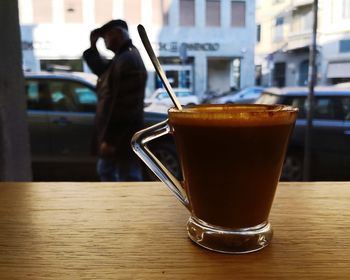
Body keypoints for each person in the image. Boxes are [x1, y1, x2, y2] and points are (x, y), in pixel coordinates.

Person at [83, 19, 147, 181]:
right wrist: (92, 46)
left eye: (105, 38)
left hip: (121, 138)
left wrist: (110, 140)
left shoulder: (128, 59)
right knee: (112, 172)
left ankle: (125, 206)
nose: (104, 42)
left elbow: (126, 106)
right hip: (120, 137)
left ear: (117, 34)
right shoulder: (123, 58)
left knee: (126, 176)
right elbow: (100, 68)